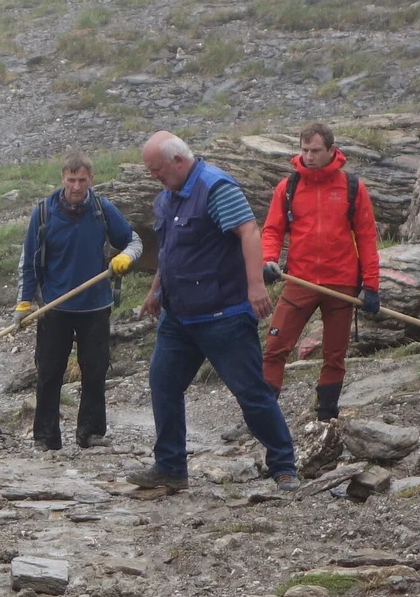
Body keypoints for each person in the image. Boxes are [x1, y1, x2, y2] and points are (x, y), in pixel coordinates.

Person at [130, 132, 299, 493]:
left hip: (223, 314)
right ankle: (171, 466)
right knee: (164, 383)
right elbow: (169, 251)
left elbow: (249, 231)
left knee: (251, 392)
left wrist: (255, 286)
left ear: (178, 161)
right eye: (150, 171)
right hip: (178, 317)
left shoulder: (216, 186)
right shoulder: (166, 199)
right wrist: (156, 290)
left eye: (157, 169)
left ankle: (284, 464)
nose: (154, 177)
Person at [18, 152, 142, 451]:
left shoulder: (102, 209)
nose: (76, 186)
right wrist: (23, 303)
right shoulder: (44, 212)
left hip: (95, 305)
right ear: (62, 179)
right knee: (48, 372)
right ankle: (46, 437)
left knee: (96, 369)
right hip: (54, 306)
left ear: (91, 180)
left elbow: (134, 240)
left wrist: (126, 257)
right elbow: (29, 262)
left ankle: (91, 432)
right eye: (71, 180)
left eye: (82, 180)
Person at [258, 122, 382, 421]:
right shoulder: (288, 187)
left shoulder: (353, 188)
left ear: (330, 150)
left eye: (315, 151)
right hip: (298, 280)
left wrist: (372, 286)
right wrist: (269, 259)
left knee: (335, 354)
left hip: (341, 284)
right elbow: (272, 230)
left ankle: (326, 415)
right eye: (304, 150)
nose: (309, 156)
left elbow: (367, 239)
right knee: (275, 348)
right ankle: (262, 415)